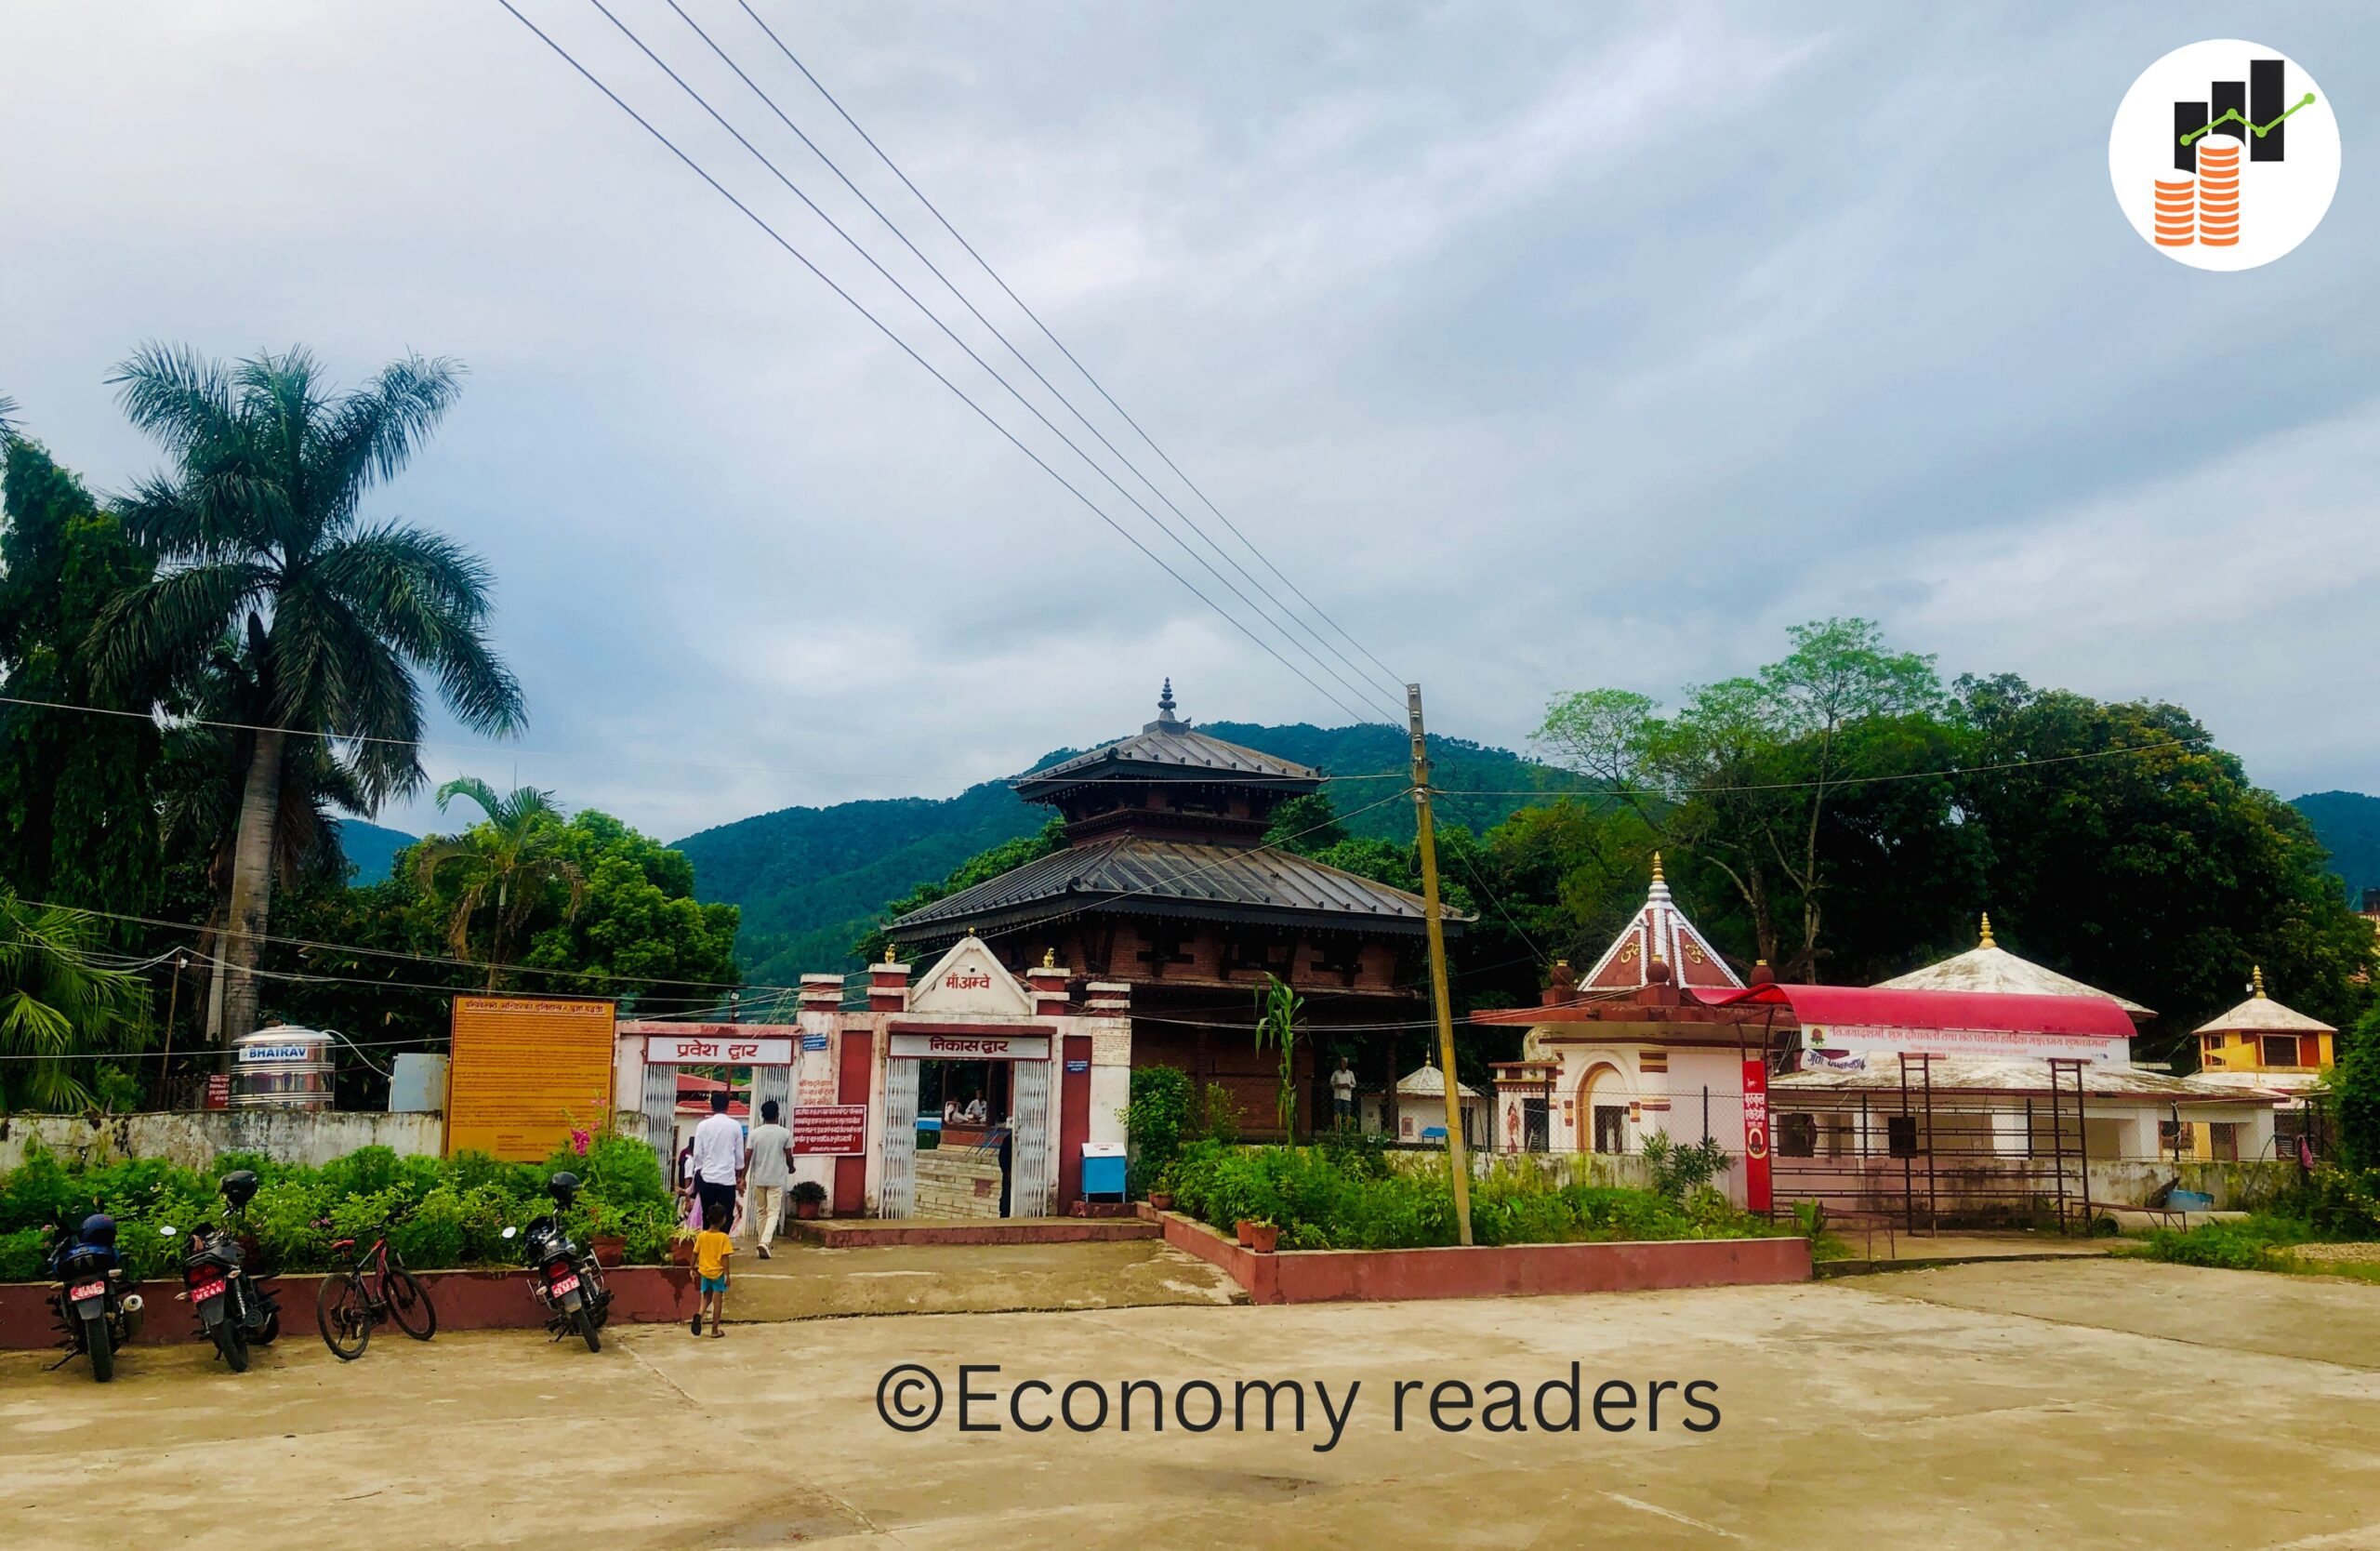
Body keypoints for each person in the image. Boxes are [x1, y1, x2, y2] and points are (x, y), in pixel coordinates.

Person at [688, 1090, 745, 1233]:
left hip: (707, 1178)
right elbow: (739, 1157)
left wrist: (702, 1167)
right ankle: (722, 1244)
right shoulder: (735, 1126)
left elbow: (697, 1154)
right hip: (727, 1180)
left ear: (711, 1107)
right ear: (728, 1106)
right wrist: (738, 1175)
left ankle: (708, 1245)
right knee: (727, 1216)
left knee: (708, 1215)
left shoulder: (703, 1126)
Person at [744, 1099, 794, 1258]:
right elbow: (789, 1156)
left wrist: (742, 1176)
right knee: (773, 1212)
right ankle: (764, 1243)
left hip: (759, 1178)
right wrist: (791, 1167)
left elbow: (747, 1157)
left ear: (762, 1115)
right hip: (776, 1179)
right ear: (778, 1115)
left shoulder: (755, 1133)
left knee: (761, 1211)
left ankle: (761, 1242)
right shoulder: (785, 1133)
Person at [692, 1200, 733, 1338]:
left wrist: (692, 1268)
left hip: (705, 1272)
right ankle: (715, 1330)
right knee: (717, 1302)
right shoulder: (723, 1238)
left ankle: (699, 1314)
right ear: (722, 1220)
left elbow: (694, 1253)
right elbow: (725, 1258)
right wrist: (727, 1275)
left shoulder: (702, 1235)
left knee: (705, 1298)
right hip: (718, 1274)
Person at [1331, 1057, 1357, 1129]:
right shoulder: (1336, 1073)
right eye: (1342, 1062)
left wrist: (1348, 1085)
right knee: (1337, 1112)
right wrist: (1337, 1085)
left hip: (1347, 1096)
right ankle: (1337, 1129)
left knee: (1347, 1113)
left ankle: (1346, 1128)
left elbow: (1354, 1084)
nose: (1343, 1064)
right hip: (1338, 1095)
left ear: (1347, 1064)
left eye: (1345, 1062)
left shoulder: (1350, 1073)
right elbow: (1331, 1082)